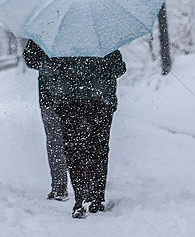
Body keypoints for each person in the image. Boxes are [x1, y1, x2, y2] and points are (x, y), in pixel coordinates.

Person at [39, 49, 126, 219]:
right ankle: (97, 197)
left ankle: (80, 197)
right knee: (99, 149)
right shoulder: (103, 37)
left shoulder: (60, 42)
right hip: (101, 101)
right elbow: (118, 69)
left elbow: (46, 70)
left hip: (68, 102)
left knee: (74, 150)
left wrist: (62, 85)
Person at [22, 39, 69, 201]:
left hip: (49, 95)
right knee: (80, 140)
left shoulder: (44, 30)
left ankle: (59, 185)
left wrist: (48, 64)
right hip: (78, 96)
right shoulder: (86, 30)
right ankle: (85, 183)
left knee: (55, 141)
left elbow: (30, 59)